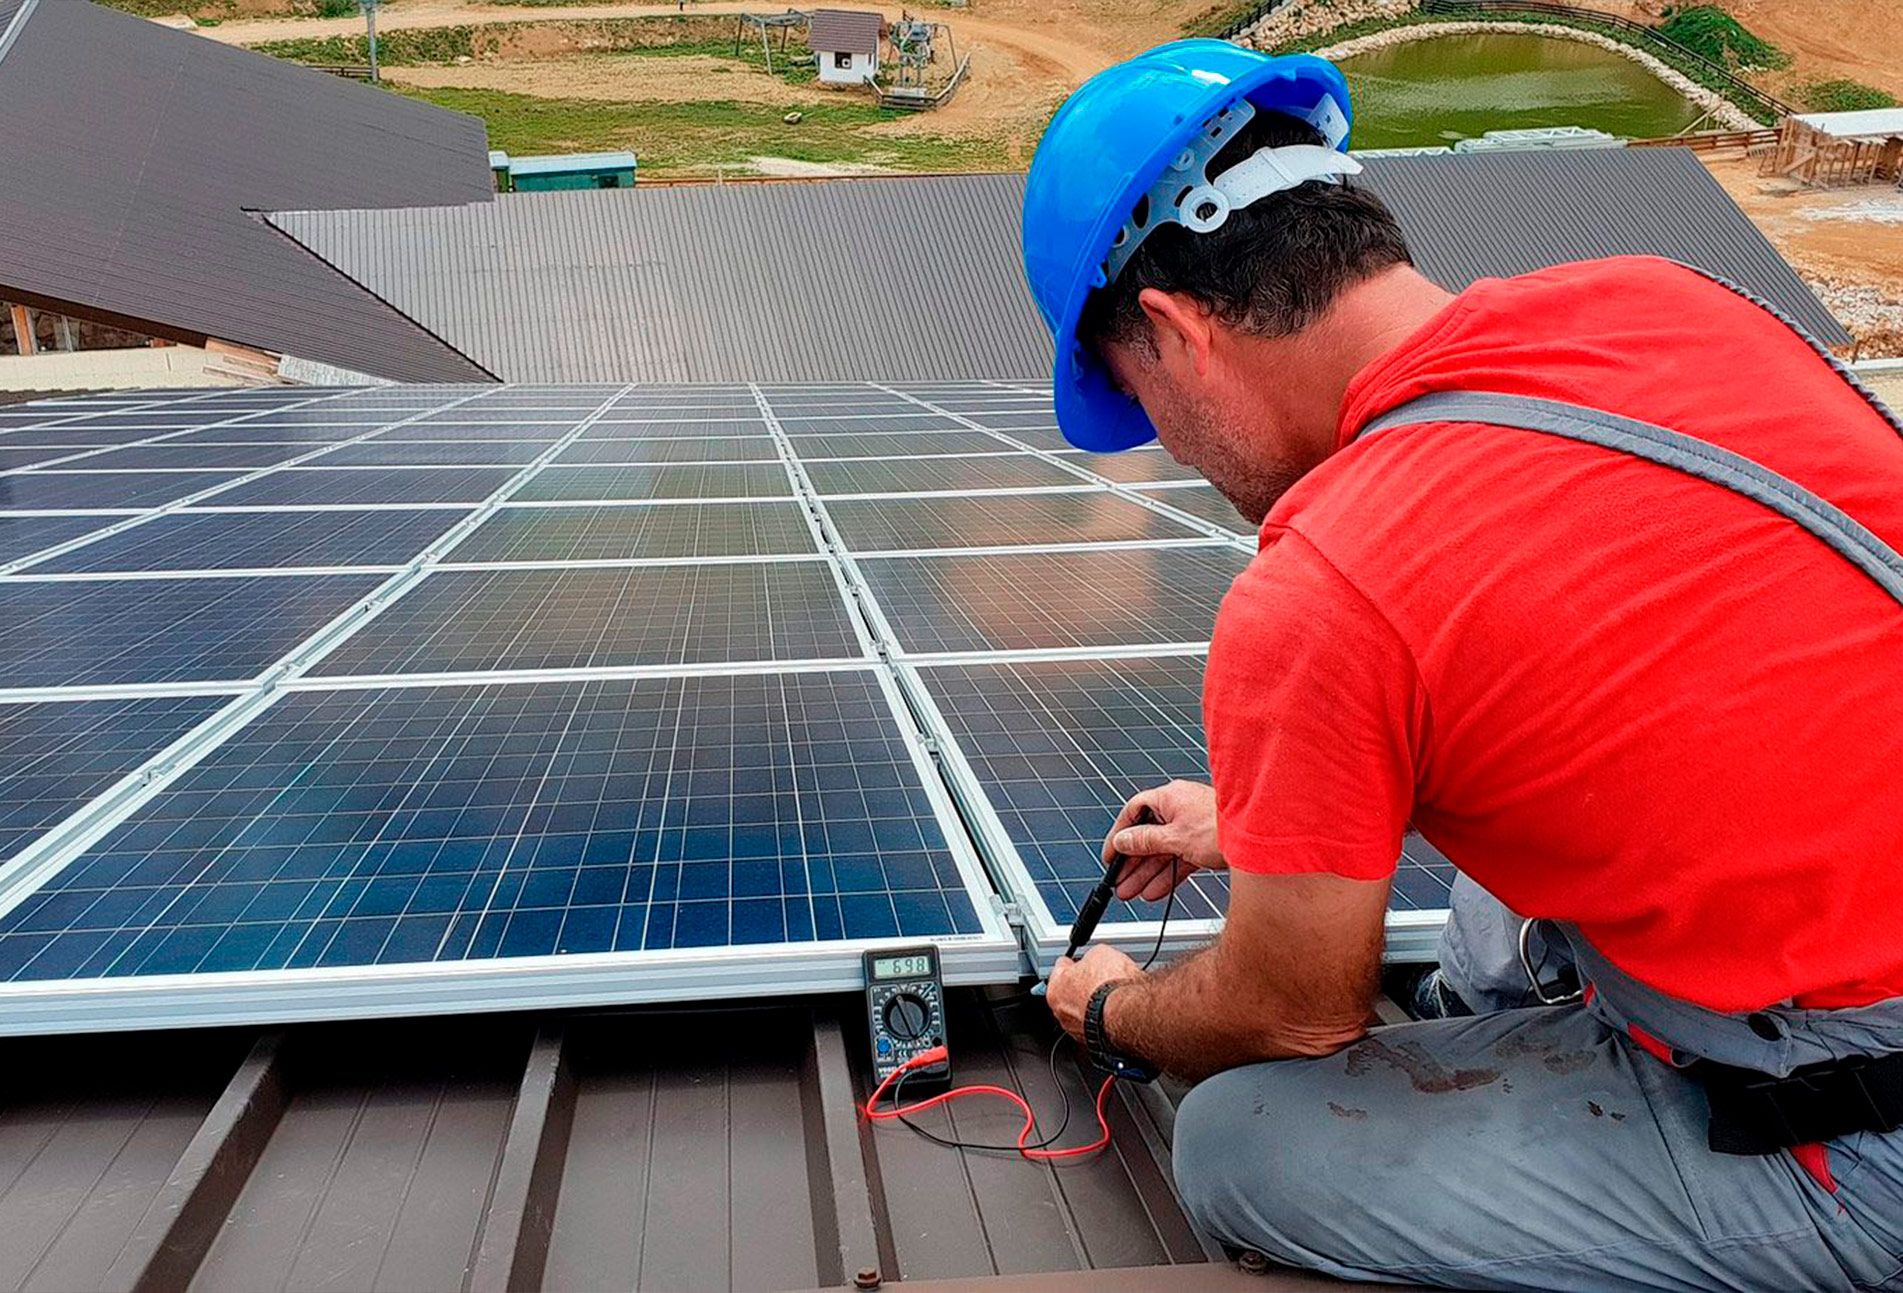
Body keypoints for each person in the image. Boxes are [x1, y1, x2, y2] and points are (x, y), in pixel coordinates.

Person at [1022, 39, 1903, 1292]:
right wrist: (1265, 823)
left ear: (1171, 331)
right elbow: (1609, 672)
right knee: (1491, 914)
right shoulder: (1666, 299)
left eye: (1138, 402)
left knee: (1237, 1143)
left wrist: (1109, 1007)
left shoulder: (1323, 582)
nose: (1162, 450)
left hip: (1861, 1126)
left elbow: (1291, 1014)